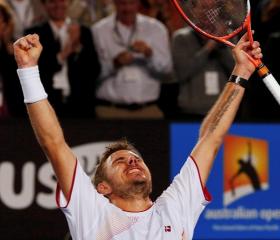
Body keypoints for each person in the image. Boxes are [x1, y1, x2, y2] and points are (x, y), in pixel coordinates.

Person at [13, 32, 262, 239]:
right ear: (102, 187)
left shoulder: (175, 207)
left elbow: (211, 138)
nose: (132, 161)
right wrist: (28, 71)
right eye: (119, 161)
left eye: (135, 158)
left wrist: (241, 71)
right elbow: (53, 143)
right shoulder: (92, 210)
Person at [92, 0, 172, 119]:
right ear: (115, 3)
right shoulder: (98, 30)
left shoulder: (156, 29)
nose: (127, 9)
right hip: (109, 111)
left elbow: (167, 70)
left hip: (148, 111)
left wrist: (149, 55)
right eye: (122, 3)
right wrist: (114, 63)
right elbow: (89, 74)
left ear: (138, 4)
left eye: (131, 3)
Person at [25, 0, 100, 118]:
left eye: (62, 1)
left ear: (69, 3)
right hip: (47, 104)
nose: (58, 5)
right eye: (52, 2)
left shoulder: (84, 32)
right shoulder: (34, 34)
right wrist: (65, 52)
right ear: (44, 5)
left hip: (81, 105)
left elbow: (94, 69)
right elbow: (36, 71)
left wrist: (77, 46)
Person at [172, 27, 234, 120]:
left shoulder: (228, 35)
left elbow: (236, 71)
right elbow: (182, 72)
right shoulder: (181, 37)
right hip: (192, 112)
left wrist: (222, 46)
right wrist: (208, 48)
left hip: (223, 110)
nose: (203, 13)